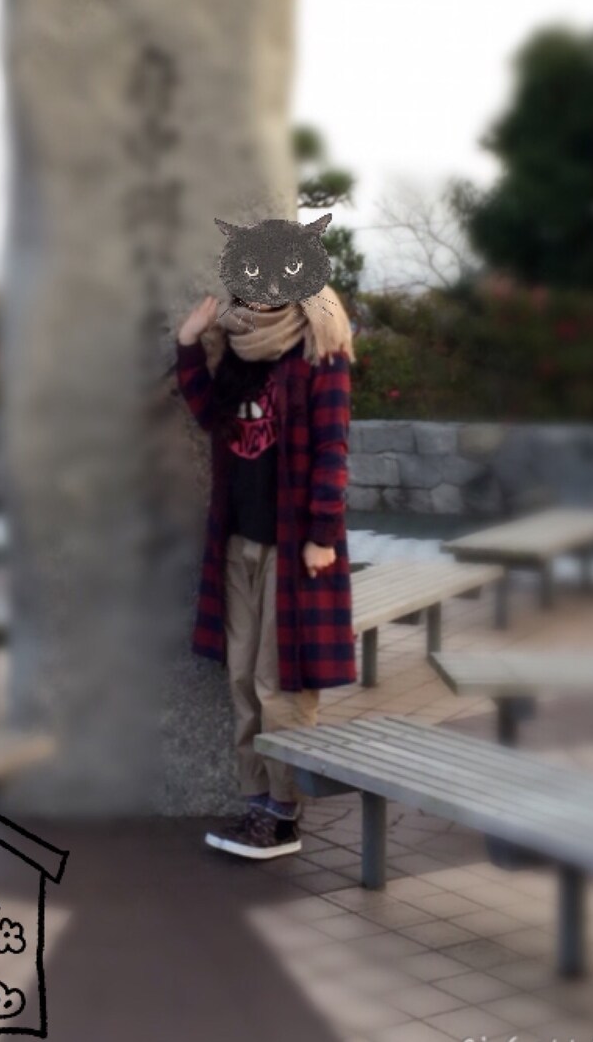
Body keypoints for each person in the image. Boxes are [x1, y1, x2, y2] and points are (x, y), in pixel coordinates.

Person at [176, 280, 357, 859]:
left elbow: (332, 447)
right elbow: (210, 414)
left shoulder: (319, 349)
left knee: (279, 686)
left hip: (293, 545)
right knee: (240, 678)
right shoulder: (239, 347)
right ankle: (256, 802)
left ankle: (284, 814)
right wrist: (188, 344)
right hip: (237, 542)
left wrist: (322, 535)